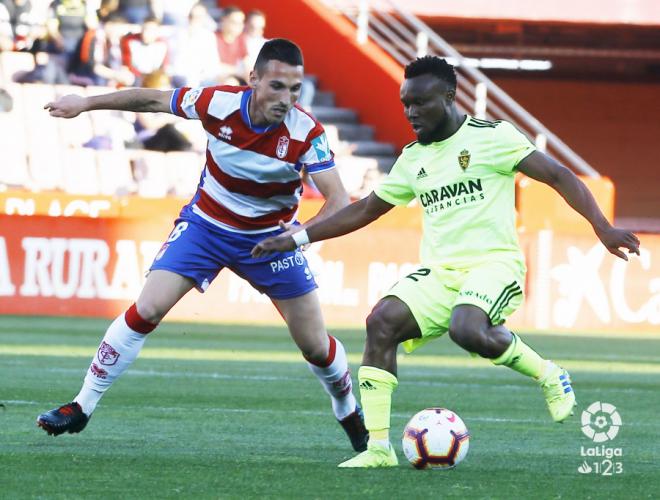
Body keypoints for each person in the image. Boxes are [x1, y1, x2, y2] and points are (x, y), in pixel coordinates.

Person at [251, 56, 641, 468]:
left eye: (420, 103)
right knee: (381, 322)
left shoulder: (493, 137)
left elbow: (560, 175)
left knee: (466, 328)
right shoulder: (414, 158)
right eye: (406, 104)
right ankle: (379, 449)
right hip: (440, 272)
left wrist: (602, 227)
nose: (411, 112)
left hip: (494, 265)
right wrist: (297, 237)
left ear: (450, 97)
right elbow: (365, 209)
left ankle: (548, 373)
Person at [37, 38, 369, 454]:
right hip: (206, 227)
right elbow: (153, 100)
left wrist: (294, 237)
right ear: (253, 80)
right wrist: (86, 103)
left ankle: (346, 407)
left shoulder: (307, 133)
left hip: (270, 241)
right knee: (148, 308)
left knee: (315, 346)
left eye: (295, 89)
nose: (286, 99)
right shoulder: (216, 102)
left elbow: (339, 202)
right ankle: (81, 405)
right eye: (277, 87)